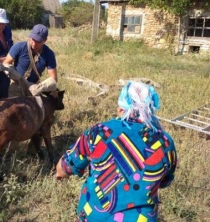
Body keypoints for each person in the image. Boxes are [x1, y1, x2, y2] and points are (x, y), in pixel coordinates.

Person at [55, 81, 178, 221]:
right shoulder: (165, 142)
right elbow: (166, 181)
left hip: (95, 216)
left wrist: (59, 173)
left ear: (121, 109)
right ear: (151, 110)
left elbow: (66, 166)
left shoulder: (99, 132)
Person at [3, 24, 58, 97]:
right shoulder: (19, 47)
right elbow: (5, 63)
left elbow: (53, 78)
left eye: (38, 41)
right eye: (33, 39)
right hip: (16, 85)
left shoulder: (49, 54)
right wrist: (14, 74)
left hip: (34, 87)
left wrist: (40, 88)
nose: (34, 43)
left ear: (44, 40)